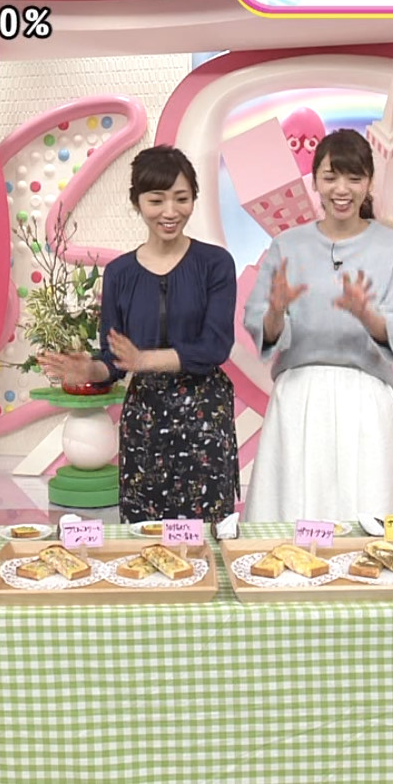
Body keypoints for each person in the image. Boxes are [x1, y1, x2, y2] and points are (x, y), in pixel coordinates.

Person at [40, 146, 240, 523]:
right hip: (145, 418)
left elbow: (215, 347)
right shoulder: (120, 273)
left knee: (206, 531)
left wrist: (145, 359)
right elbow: (114, 361)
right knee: (143, 531)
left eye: (181, 198)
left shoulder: (215, 264)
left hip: (204, 414)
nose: (170, 211)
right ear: (137, 202)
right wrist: (89, 371)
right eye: (156, 200)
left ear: (194, 199)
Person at [242, 129, 393, 522]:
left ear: (369, 183)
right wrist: (276, 311)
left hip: (366, 393)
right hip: (299, 392)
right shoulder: (287, 245)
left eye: (354, 178)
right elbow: (260, 322)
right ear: (315, 182)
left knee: (366, 508)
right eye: (330, 177)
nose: (342, 189)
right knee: (293, 508)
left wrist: (367, 315)